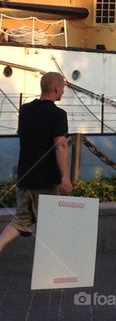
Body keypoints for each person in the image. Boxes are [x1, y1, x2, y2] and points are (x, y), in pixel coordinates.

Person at [0, 72, 72, 253]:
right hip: (45, 180)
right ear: (56, 89)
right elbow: (60, 145)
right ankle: (50, 269)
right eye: (62, 87)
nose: (63, 91)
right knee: (50, 224)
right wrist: (65, 177)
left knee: (21, 220)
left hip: (25, 176)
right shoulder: (58, 114)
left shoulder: (25, 110)